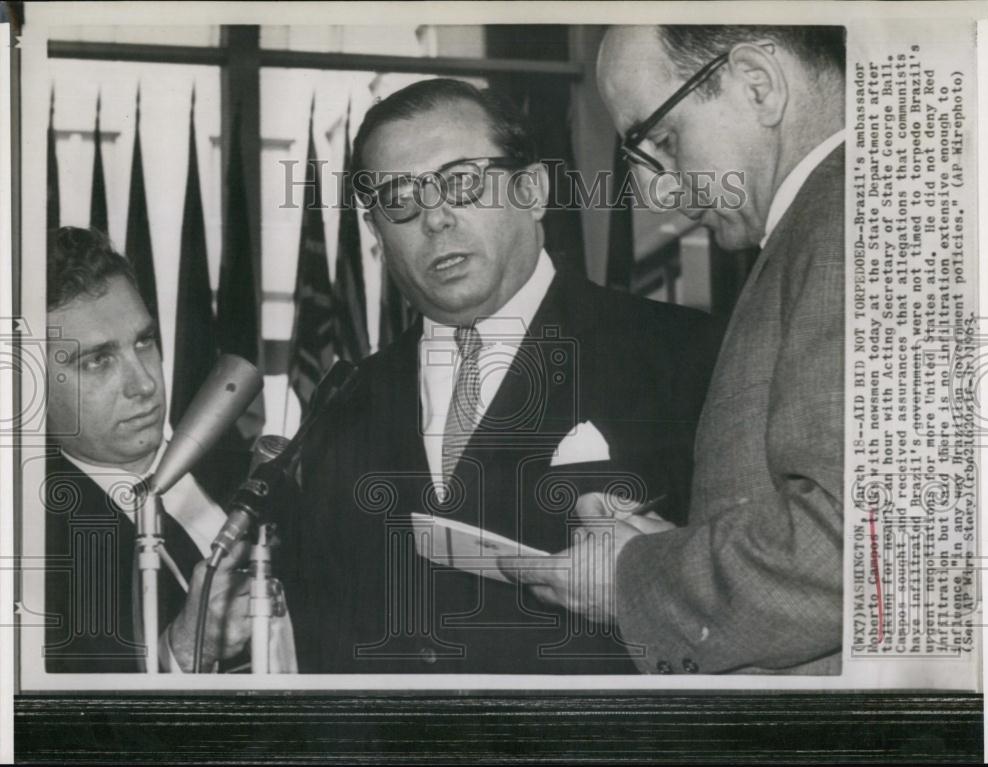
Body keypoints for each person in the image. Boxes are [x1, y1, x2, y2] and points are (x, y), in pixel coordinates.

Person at [291, 78, 722, 674]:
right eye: (399, 197)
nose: (435, 218)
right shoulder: (343, 404)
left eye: (462, 181)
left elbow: (752, 593)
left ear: (534, 189)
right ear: (376, 233)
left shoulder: (683, 354)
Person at [505, 25, 846, 675]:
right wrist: (676, 548)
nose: (659, 194)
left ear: (758, 84)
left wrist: (634, 578)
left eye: (661, 140)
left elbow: (852, 548)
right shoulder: (818, 222)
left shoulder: (842, 222)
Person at [43, 226, 288, 673]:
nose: (145, 384)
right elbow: (67, 729)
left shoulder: (239, 464)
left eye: (144, 341)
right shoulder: (36, 548)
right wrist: (181, 649)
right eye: (98, 360)